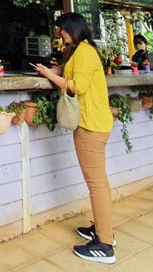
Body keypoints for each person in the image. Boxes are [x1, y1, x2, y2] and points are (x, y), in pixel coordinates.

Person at [32, 13, 116, 264]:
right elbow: (68, 71)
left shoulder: (86, 52)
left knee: (96, 183)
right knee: (97, 181)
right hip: (93, 123)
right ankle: (103, 229)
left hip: (92, 125)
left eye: (63, 31)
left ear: (74, 29)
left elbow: (75, 86)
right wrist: (47, 69)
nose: (61, 35)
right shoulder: (80, 50)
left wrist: (49, 74)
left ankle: (105, 244)